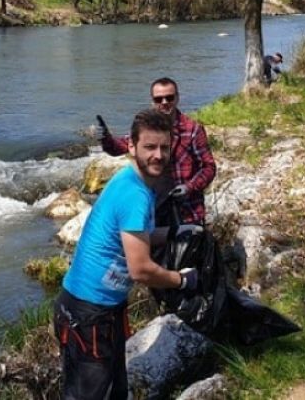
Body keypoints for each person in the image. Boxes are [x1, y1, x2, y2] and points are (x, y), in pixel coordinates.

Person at [56, 109, 200, 400]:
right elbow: (141, 269)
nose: (158, 155)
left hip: (88, 307)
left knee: (112, 391)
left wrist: (176, 231)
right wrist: (181, 281)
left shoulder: (130, 182)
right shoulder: (135, 195)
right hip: (91, 315)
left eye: (164, 147)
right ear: (131, 146)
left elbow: (135, 237)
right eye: (150, 147)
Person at [97, 77, 216, 226]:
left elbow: (209, 167)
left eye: (169, 97)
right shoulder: (147, 128)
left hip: (187, 210)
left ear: (178, 98)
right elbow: (118, 148)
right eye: (159, 99)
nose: (165, 102)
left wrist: (189, 187)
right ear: (152, 102)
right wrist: (105, 137)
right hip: (154, 208)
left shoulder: (193, 130)